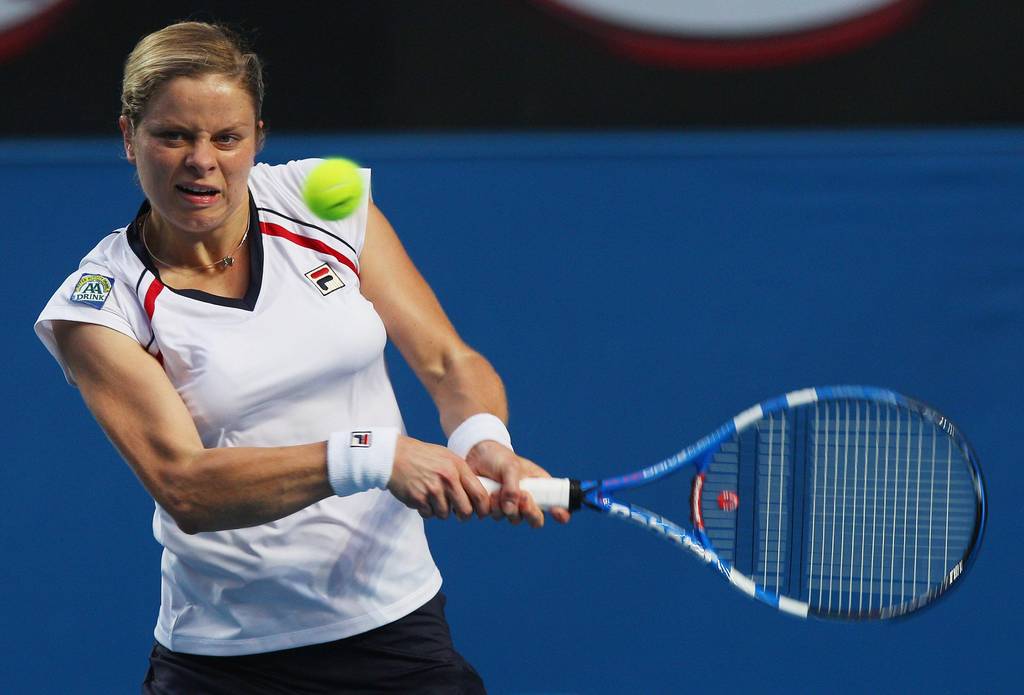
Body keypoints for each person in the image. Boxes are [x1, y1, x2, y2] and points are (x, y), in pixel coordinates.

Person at [34, 20, 568, 694]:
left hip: (394, 625)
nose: (202, 160)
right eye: (173, 136)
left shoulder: (323, 202)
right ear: (128, 136)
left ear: (258, 137)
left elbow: (447, 361)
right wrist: (373, 455)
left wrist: (484, 440)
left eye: (227, 137)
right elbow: (187, 487)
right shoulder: (100, 303)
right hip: (224, 660)